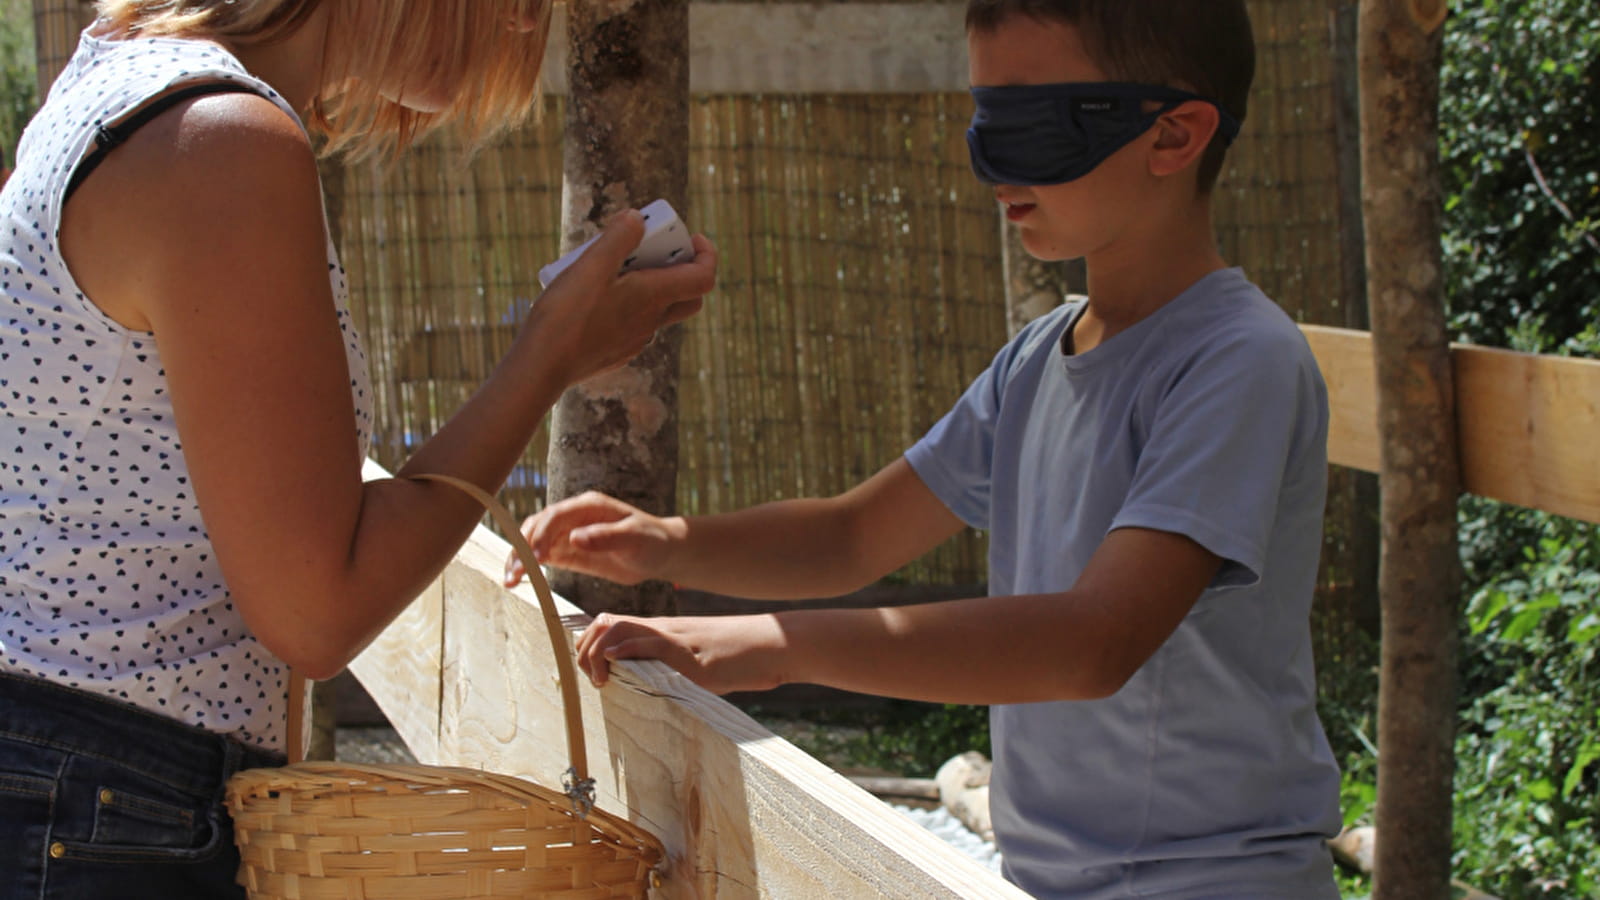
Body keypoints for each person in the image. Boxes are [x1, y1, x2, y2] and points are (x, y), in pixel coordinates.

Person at [506, 0, 1342, 896]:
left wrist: (770, 647)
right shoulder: (1037, 359)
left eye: (1034, 124)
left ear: (1173, 137)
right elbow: (853, 538)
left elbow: (1094, 642)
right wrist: (667, 543)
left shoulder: (1238, 360)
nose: (996, 166)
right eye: (986, 120)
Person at [0, 1, 715, 896]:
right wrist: (547, 360)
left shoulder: (124, 79)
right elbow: (314, 611)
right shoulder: (219, 139)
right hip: (104, 805)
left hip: (71, 788)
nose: (530, 26)